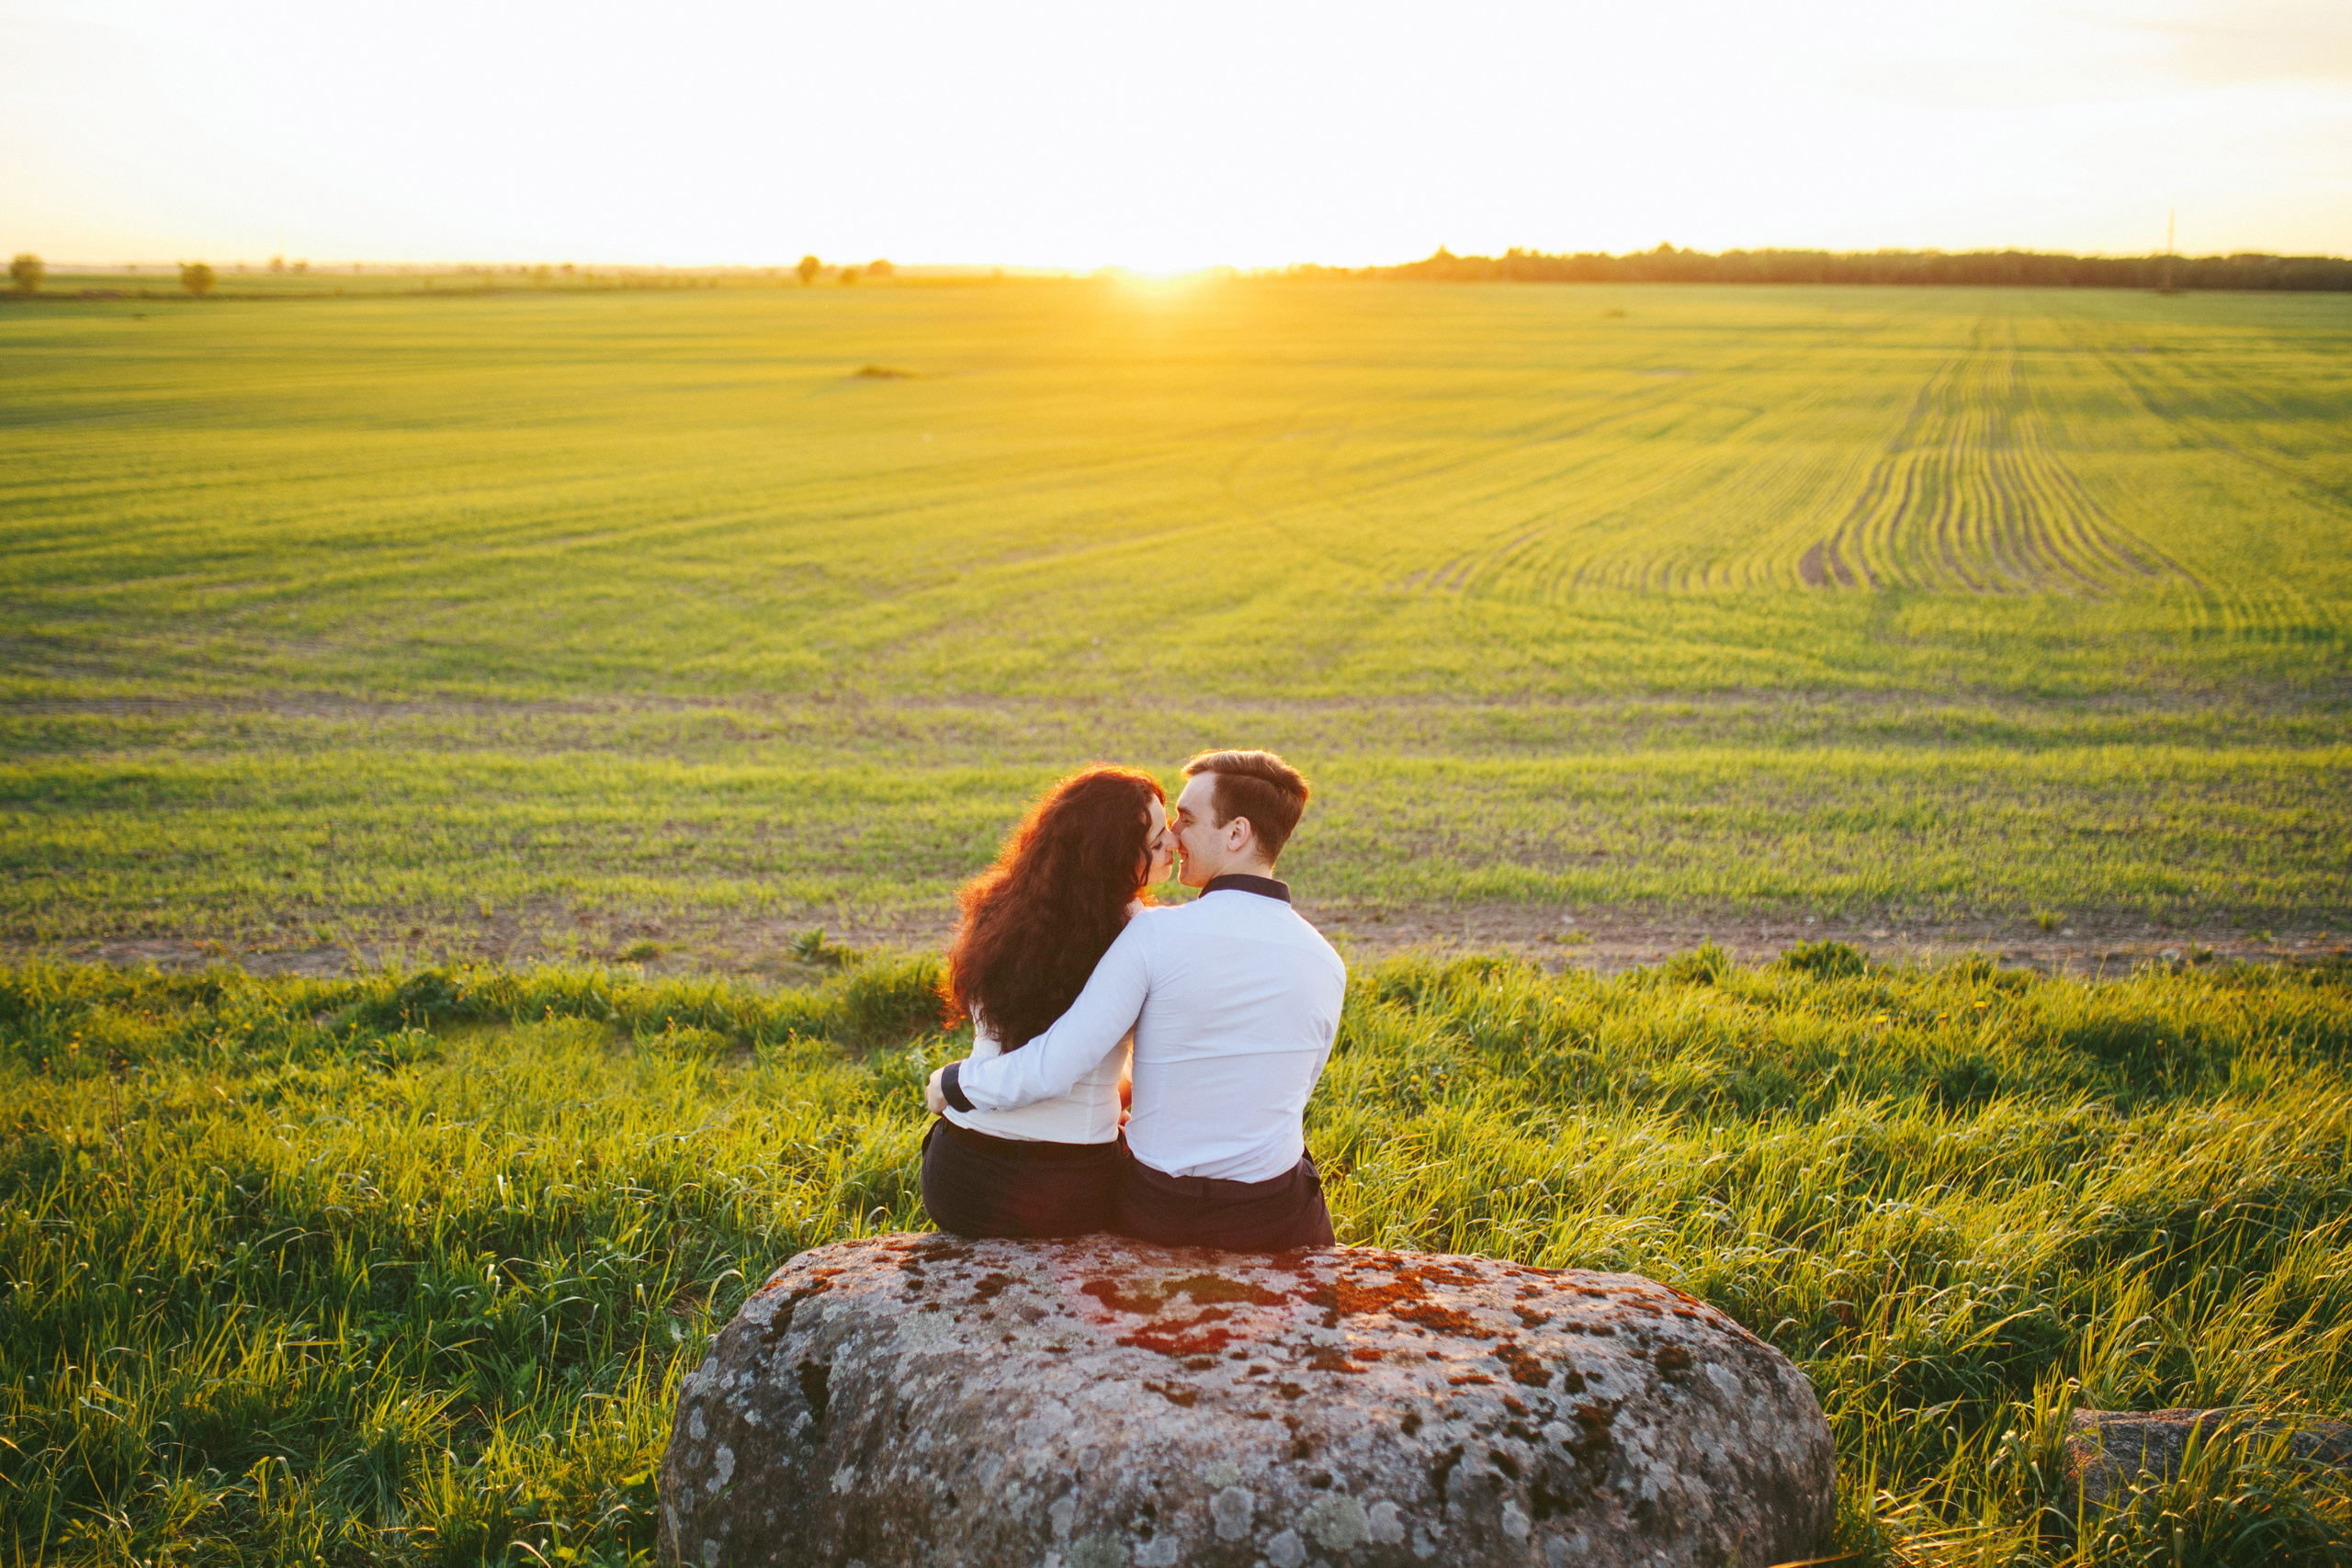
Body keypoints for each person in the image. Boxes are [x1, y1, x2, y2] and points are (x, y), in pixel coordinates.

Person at [928, 749, 1346, 1252]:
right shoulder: (1327, 962)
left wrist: (953, 1081)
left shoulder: (1148, 932)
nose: (1174, 835)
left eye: (1185, 820)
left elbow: (1058, 1063)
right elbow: (1292, 1090)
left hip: (1148, 1205)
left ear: (1236, 834)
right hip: (1266, 1212)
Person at [919, 766, 1175, 1238]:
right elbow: (1057, 1068)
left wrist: (954, 1082)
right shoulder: (1140, 933)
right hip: (1064, 1188)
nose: (1174, 846)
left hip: (958, 1178)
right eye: (1158, 841)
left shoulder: (1001, 907)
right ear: (1113, 857)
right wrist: (955, 1082)